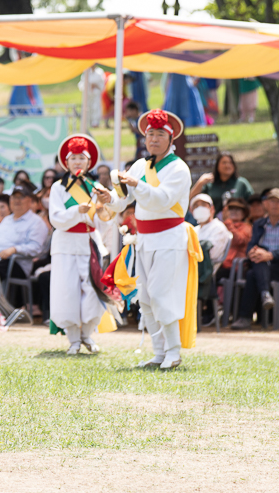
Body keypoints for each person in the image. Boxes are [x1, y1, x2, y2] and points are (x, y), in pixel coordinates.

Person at [110, 108, 201, 371]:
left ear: (171, 139)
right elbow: (122, 201)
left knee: (163, 294)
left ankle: (174, 351)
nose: (154, 138)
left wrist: (135, 185)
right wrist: (110, 198)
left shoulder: (178, 168)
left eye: (160, 133)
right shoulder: (140, 165)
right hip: (145, 239)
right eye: (150, 133)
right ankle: (159, 352)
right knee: (147, 297)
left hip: (170, 237)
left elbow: (162, 200)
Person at [48, 135, 115, 356]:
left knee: (92, 288)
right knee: (66, 289)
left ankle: (87, 334)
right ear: (66, 162)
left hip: (88, 243)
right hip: (65, 242)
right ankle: (73, 339)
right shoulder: (58, 187)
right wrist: (78, 211)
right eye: (73, 158)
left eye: (81, 158)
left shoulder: (95, 187)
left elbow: (102, 222)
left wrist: (103, 210)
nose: (77, 162)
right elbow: (56, 218)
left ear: (89, 162)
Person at [231, 188, 279, 330]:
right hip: (261, 263)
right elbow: (251, 245)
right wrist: (252, 252)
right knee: (254, 268)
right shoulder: (258, 224)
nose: (275, 205)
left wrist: (269, 255)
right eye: (272, 201)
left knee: (253, 273)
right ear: (266, 204)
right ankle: (265, 294)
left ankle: (244, 317)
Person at [189, 193, 231, 269]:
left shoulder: (218, 228)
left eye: (203, 205)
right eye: (196, 206)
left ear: (212, 209)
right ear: (192, 211)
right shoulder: (194, 230)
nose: (199, 208)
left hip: (204, 272)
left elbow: (211, 254)